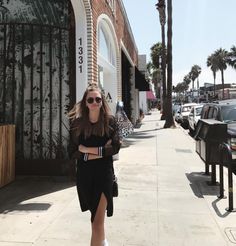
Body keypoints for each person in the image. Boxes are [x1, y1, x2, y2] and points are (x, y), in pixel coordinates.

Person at [68, 83, 121, 246]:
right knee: (95, 221)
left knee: (97, 223)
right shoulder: (77, 124)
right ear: (85, 102)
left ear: (102, 101)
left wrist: (86, 150)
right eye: (90, 100)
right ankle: (103, 242)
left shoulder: (110, 122)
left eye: (98, 99)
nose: (94, 103)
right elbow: (72, 151)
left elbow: (115, 148)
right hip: (84, 177)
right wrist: (99, 152)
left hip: (104, 175)